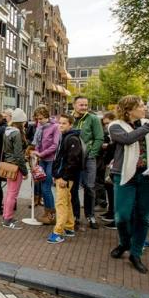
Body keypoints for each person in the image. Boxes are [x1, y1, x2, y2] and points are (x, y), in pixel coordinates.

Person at [108, 95, 149, 274]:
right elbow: (128, 139)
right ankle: (124, 242)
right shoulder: (116, 126)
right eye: (141, 106)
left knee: (143, 216)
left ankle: (135, 252)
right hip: (125, 175)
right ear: (129, 110)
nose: (145, 109)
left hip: (148, 176)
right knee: (122, 216)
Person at [47, 113, 84, 243]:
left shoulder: (71, 139)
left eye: (64, 123)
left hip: (65, 177)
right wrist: (56, 174)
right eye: (60, 123)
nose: (60, 125)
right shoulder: (65, 137)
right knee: (66, 201)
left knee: (61, 203)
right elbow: (60, 158)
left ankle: (58, 232)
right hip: (62, 175)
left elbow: (72, 161)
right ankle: (69, 227)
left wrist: (64, 177)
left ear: (70, 124)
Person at [71, 96, 104, 229]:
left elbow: (99, 138)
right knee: (73, 188)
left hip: (88, 158)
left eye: (86, 105)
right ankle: (75, 215)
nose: (84, 107)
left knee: (89, 187)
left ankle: (90, 216)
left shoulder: (93, 119)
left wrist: (92, 153)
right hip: (73, 159)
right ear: (74, 105)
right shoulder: (70, 119)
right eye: (81, 105)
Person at [0, 108, 29, 229]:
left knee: (9, 194)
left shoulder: (7, 131)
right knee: (13, 194)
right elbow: (18, 154)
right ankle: (7, 219)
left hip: (8, 164)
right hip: (16, 166)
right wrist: (25, 171)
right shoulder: (17, 133)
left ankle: (6, 216)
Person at [30, 106, 59, 225]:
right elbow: (38, 142)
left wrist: (41, 153)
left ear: (47, 116)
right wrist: (36, 153)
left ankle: (52, 215)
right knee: (42, 186)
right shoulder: (40, 127)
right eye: (37, 119)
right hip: (41, 159)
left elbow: (55, 145)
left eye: (41, 118)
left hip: (51, 160)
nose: (39, 121)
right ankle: (47, 212)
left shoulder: (55, 127)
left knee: (46, 187)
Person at [98, 112, 117, 224]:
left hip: (114, 164)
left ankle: (114, 213)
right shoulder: (109, 133)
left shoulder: (116, 132)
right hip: (109, 163)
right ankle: (110, 211)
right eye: (104, 124)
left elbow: (117, 146)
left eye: (108, 123)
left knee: (113, 189)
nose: (106, 126)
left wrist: (108, 146)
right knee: (108, 187)